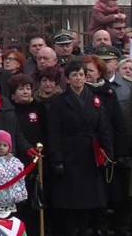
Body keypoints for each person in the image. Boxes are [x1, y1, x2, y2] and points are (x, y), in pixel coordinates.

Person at [47, 60, 113, 235]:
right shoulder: (59, 101)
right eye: (74, 75)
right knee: (70, 200)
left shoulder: (94, 99)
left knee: (89, 200)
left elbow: (103, 128)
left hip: (89, 154)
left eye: (81, 75)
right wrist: (57, 160)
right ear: (67, 79)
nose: (78, 78)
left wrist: (107, 153)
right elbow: (53, 133)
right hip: (69, 154)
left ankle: (84, 230)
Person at [82, 54, 130, 236]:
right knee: (95, 193)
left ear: (99, 72)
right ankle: (97, 227)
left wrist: (121, 152)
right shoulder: (79, 93)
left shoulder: (109, 92)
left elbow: (118, 124)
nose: (86, 75)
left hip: (109, 150)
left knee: (117, 193)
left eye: (90, 71)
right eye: (83, 71)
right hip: (88, 152)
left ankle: (121, 226)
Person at [9, 74, 47, 236]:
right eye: (21, 88)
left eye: (28, 88)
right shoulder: (9, 109)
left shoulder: (40, 107)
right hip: (16, 160)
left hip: (37, 160)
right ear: (13, 93)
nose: (25, 92)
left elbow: (47, 132)